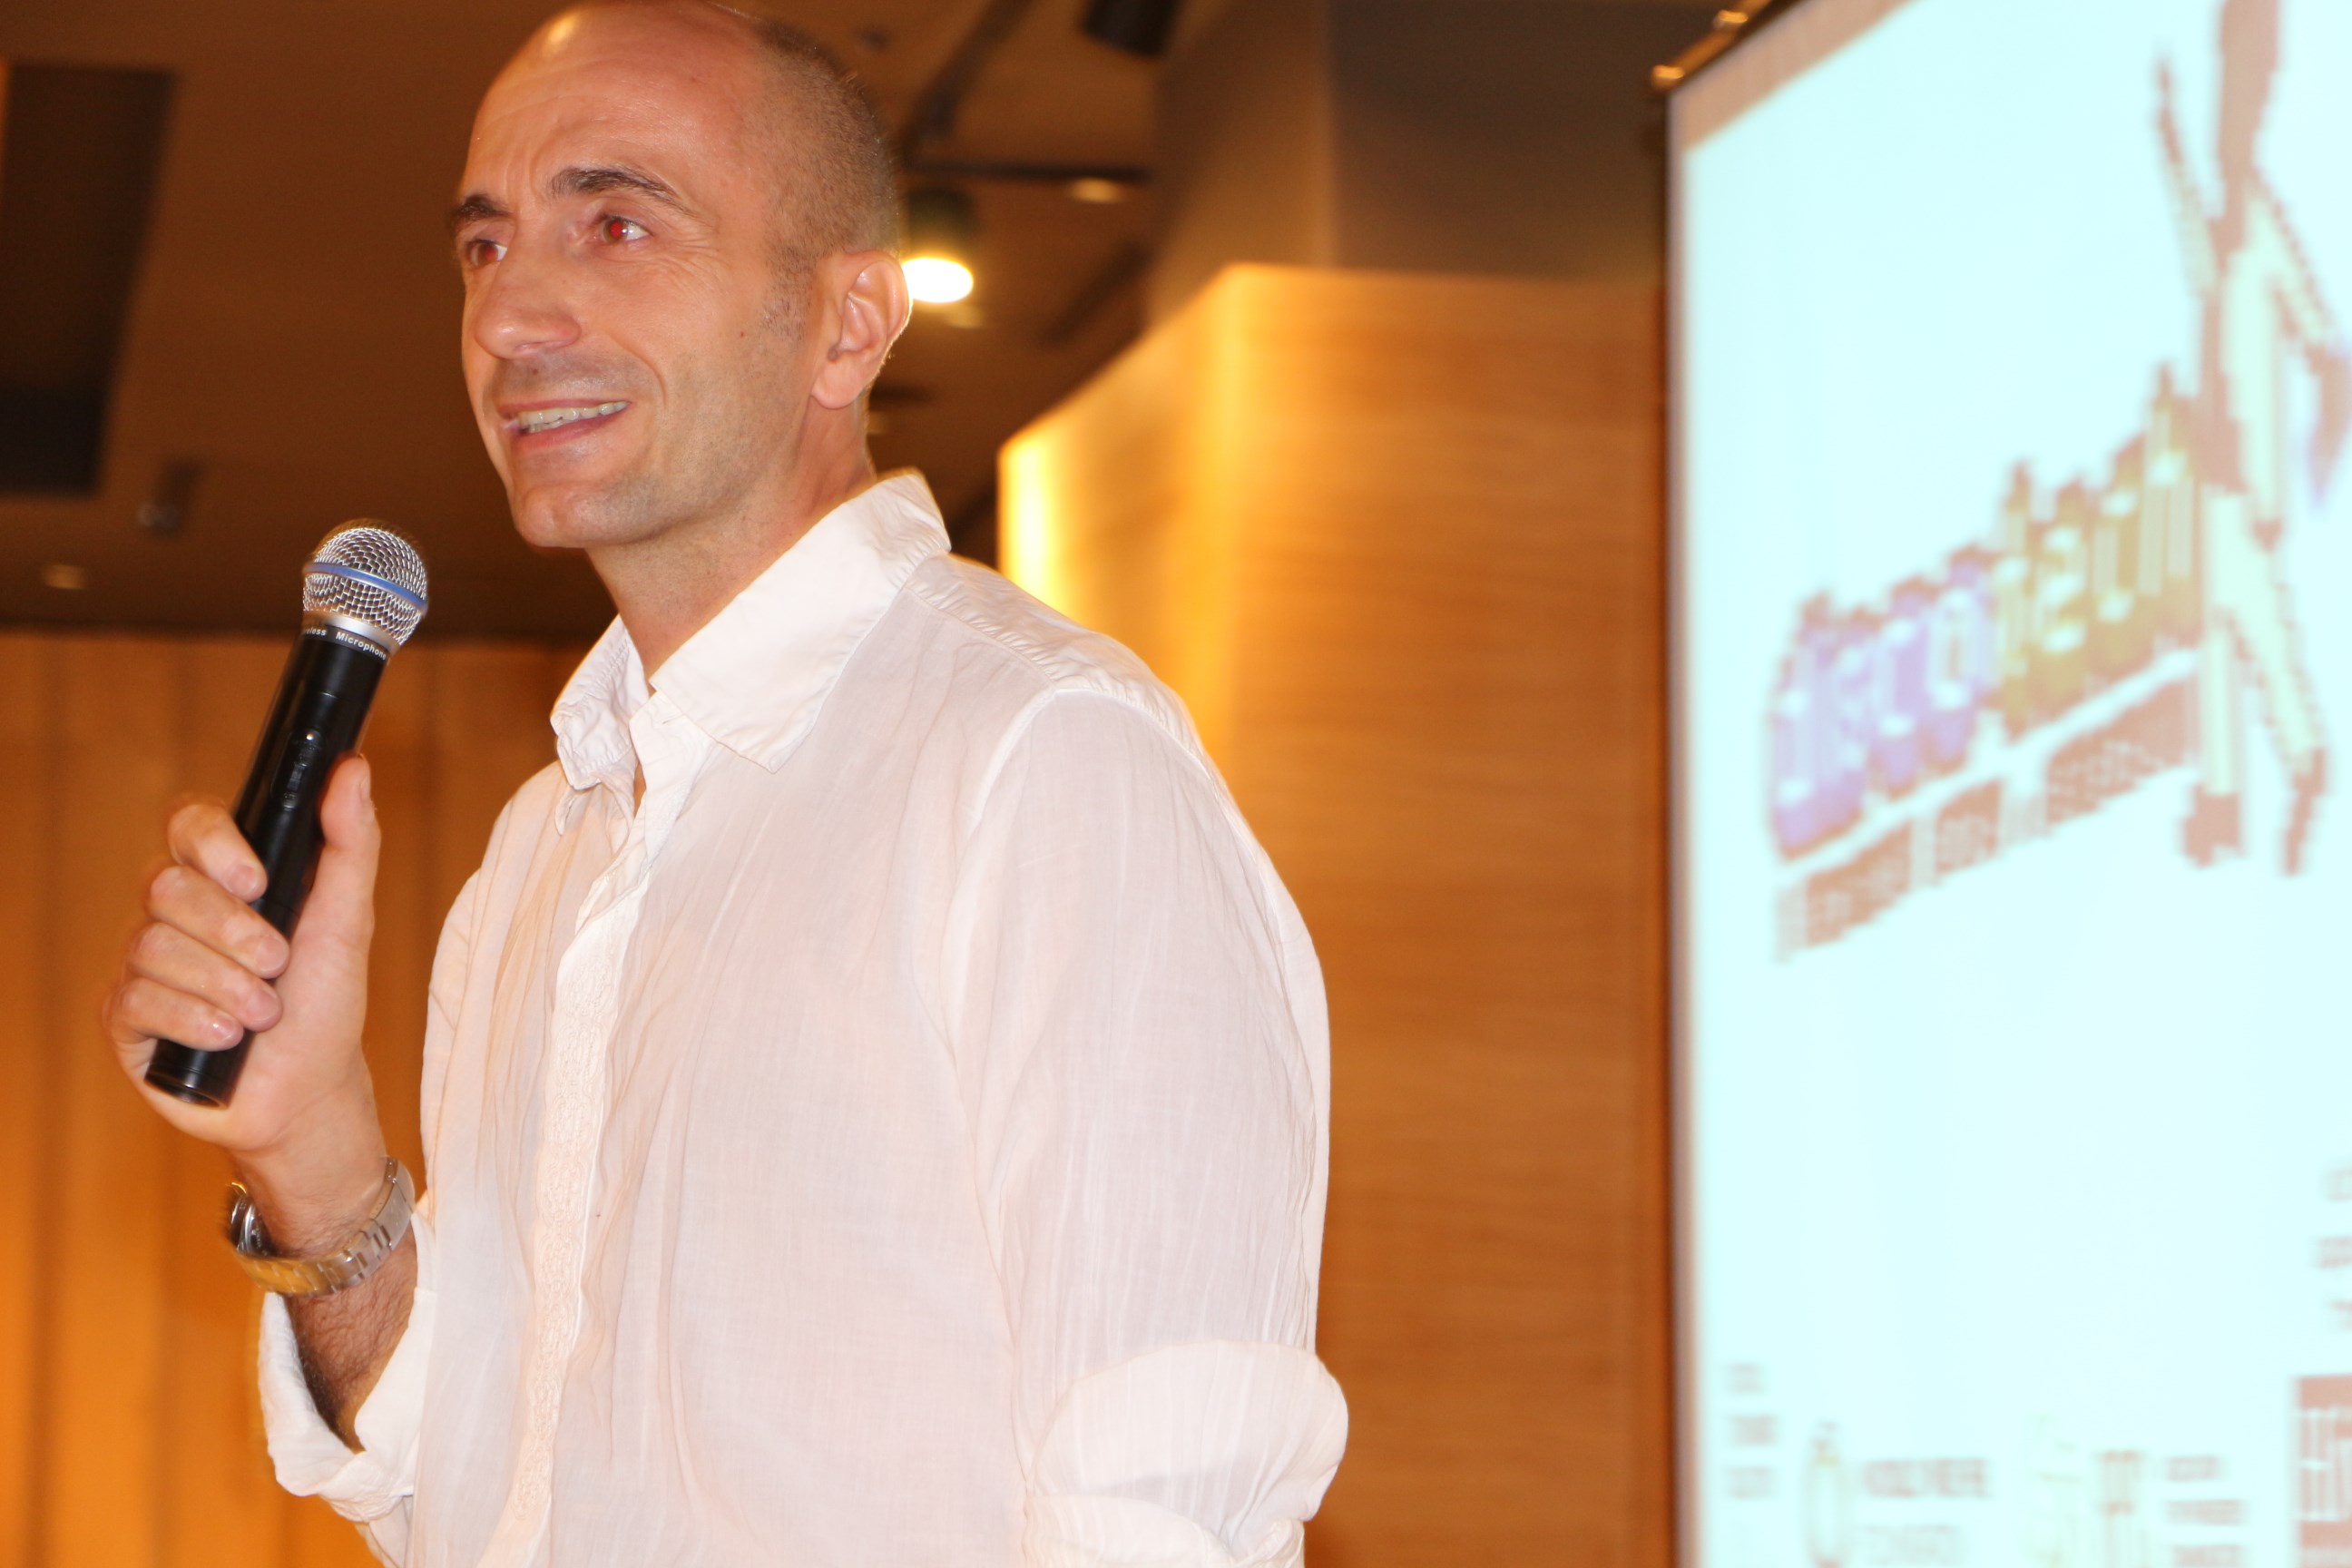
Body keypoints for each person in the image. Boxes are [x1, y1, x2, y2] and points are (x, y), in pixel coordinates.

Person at [98, 3, 1346, 1563]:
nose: (509, 316)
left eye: (616, 224)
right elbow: (457, 1497)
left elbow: (1161, 1521)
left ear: (849, 323)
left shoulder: (1047, 766)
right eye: (484, 246)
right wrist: (311, 1149)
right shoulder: (545, 846)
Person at [2157, 0, 2351, 873]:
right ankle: (2233, 795)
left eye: (2242, 86)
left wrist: (2321, 446)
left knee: (2254, 630)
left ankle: (2298, 764)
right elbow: (2198, 257)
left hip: (2251, 475)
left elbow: (2321, 340)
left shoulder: (2263, 223)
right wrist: (2167, 144)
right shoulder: (2226, 220)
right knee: (2220, 623)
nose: (2227, 107)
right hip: (2218, 465)